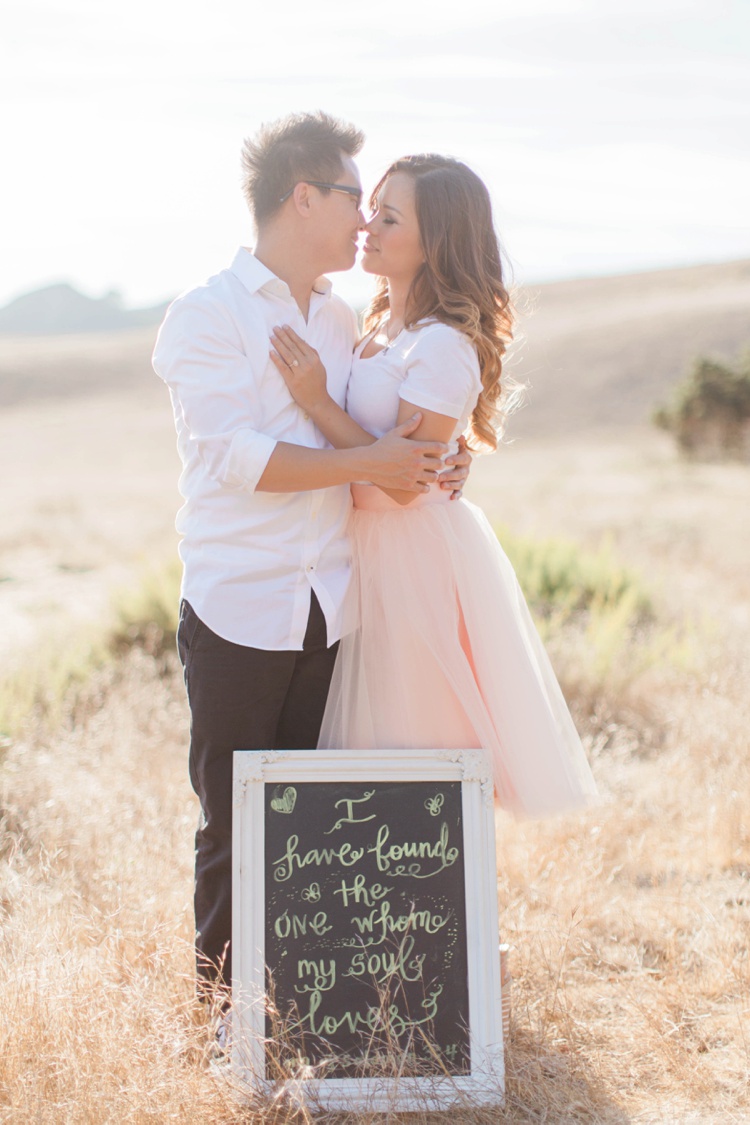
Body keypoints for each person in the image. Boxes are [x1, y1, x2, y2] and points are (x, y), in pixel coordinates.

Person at [152, 116, 472, 1000]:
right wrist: (369, 463)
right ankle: (224, 1017)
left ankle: (302, 1007)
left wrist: (435, 457)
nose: (363, 221)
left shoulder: (341, 320)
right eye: (349, 198)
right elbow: (238, 459)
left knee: (314, 820)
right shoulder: (205, 315)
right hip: (239, 603)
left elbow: (392, 423)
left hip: (333, 603)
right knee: (232, 819)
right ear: (303, 198)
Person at [269, 154, 597, 817]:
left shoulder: (442, 347)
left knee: (408, 745)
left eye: (389, 217)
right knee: (358, 759)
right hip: (350, 550)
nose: (368, 226)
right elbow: (392, 460)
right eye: (373, 210)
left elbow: (396, 489)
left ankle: (432, 915)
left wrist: (318, 404)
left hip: (405, 562)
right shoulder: (375, 329)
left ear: (437, 241)